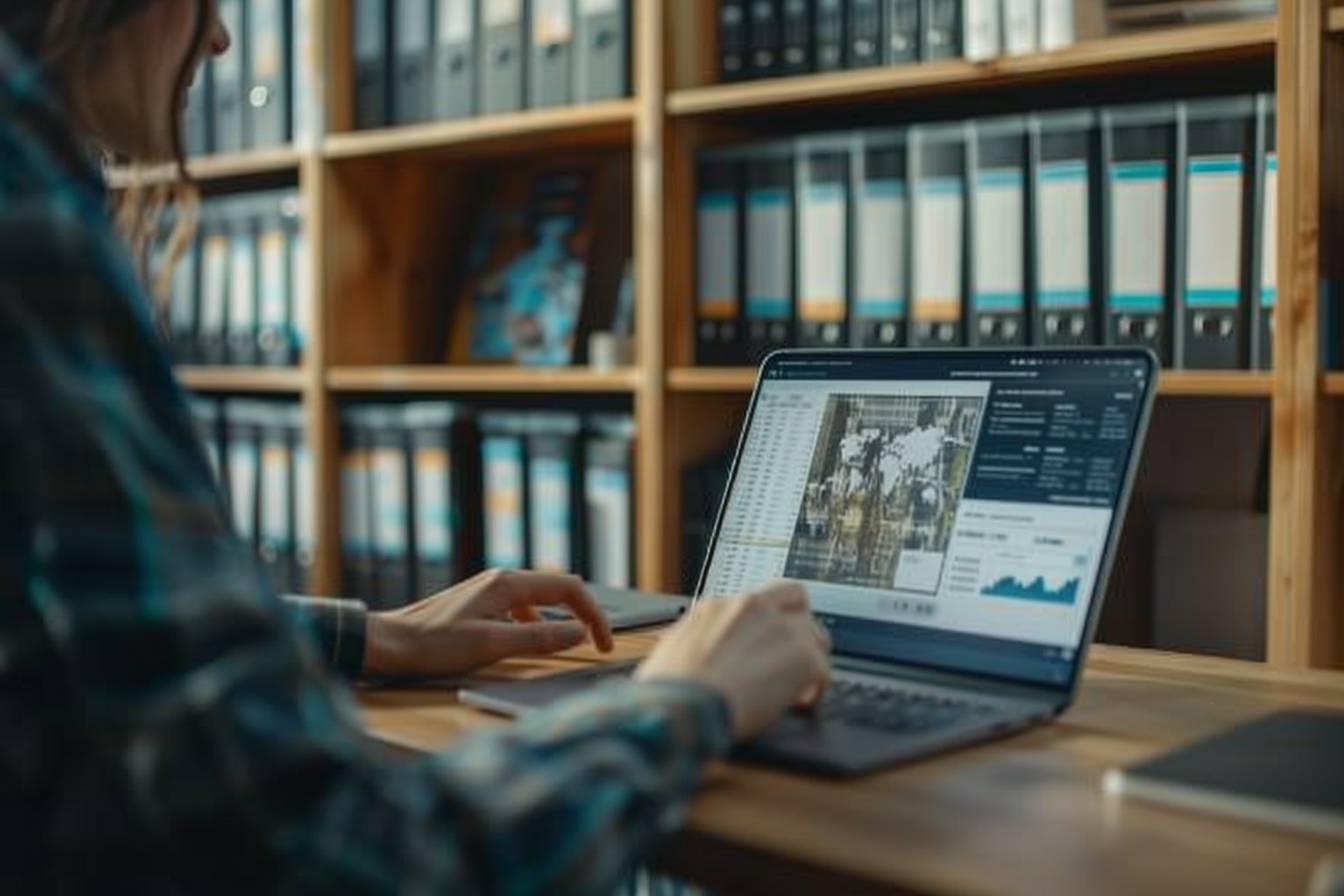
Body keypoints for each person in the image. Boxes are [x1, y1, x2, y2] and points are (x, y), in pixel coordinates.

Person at [0, 2, 831, 891]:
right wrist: (686, 702)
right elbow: (331, 859)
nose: (221, 42)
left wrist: (372, 638)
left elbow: (70, 637)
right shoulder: (25, 215)